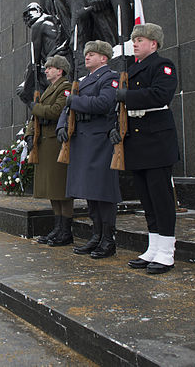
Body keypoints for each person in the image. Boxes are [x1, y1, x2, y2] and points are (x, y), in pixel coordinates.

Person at [115, 23, 180, 274]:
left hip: (156, 140)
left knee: (161, 198)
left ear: (153, 43)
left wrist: (125, 96)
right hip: (137, 140)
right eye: (134, 40)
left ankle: (166, 251)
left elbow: (160, 95)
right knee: (147, 199)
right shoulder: (131, 69)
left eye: (140, 39)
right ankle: (154, 247)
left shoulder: (163, 65)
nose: (136, 43)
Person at [57, 41, 121, 258]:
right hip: (83, 141)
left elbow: (104, 103)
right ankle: (96, 235)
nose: (87, 57)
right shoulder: (83, 82)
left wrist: (75, 101)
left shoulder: (109, 78)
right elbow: (67, 109)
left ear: (104, 58)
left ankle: (107, 239)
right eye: (87, 54)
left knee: (103, 192)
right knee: (90, 193)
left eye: (92, 54)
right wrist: (61, 126)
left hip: (99, 140)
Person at [24, 55, 73, 246]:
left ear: (60, 70)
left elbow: (55, 111)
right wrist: (29, 135)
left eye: (50, 68)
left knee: (61, 189)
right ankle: (58, 227)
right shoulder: (49, 90)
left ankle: (66, 231)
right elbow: (35, 117)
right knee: (52, 190)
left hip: (56, 143)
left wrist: (35, 108)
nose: (46, 71)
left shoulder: (65, 88)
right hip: (45, 143)